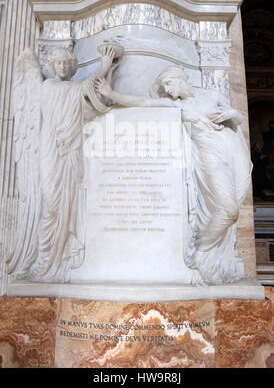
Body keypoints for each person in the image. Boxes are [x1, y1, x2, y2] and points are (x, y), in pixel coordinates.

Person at [94, 65, 252, 285]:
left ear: (179, 78)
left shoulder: (212, 95)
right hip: (211, 158)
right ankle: (202, 252)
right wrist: (112, 95)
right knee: (229, 211)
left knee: (235, 200)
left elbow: (237, 119)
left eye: (168, 83)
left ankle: (206, 253)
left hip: (232, 153)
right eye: (164, 86)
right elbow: (143, 102)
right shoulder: (175, 105)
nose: (167, 90)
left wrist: (231, 113)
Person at [9, 45, 120, 282]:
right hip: (51, 150)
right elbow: (84, 87)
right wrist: (103, 66)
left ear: (71, 68)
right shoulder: (48, 87)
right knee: (50, 204)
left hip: (70, 152)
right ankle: (45, 256)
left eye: (65, 64)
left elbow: (95, 106)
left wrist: (109, 73)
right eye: (57, 63)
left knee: (68, 203)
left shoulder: (73, 91)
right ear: (51, 66)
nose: (61, 67)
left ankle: (62, 255)